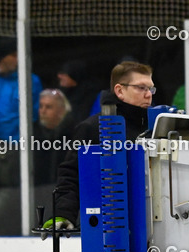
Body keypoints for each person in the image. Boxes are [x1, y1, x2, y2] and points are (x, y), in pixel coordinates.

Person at [46, 61, 154, 230]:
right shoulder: (94, 128)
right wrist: (63, 213)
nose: (148, 95)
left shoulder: (157, 128)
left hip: (157, 225)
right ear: (120, 90)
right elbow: (71, 175)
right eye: (141, 88)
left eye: (151, 89)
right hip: (110, 227)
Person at [33, 89, 75, 192]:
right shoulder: (32, 133)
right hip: (37, 191)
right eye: (41, 106)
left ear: (61, 110)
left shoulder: (73, 135)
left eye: (48, 107)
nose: (43, 111)